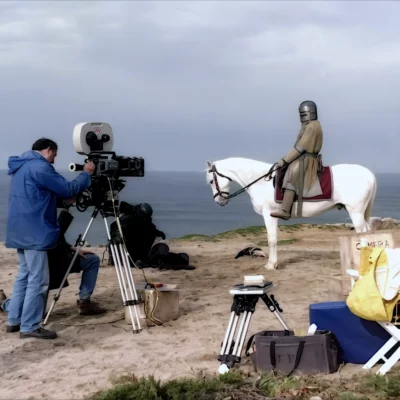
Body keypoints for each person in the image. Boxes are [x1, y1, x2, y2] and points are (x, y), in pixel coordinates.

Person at [1, 138, 95, 340]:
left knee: (24, 277)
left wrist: (59, 199)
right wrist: (86, 174)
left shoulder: (22, 166)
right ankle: (30, 326)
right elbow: (68, 188)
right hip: (35, 231)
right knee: (39, 280)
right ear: (48, 150)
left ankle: (14, 320)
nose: (54, 159)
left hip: (20, 230)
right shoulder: (41, 167)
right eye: (54, 154)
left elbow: (37, 195)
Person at [270, 100, 323, 220]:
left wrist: (284, 160)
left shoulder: (312, 126)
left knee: (292, 173)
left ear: (310, 113)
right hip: (305, 157)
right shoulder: (309, 126)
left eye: (303, 114)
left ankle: (285, 210)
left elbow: (300, 148)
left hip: (308, 160)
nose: (302, 117)